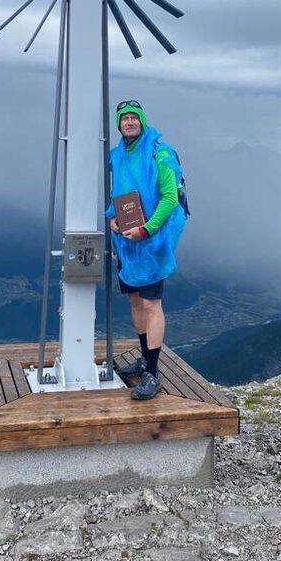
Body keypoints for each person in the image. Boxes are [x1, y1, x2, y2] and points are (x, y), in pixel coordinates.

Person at [106, 100, 186, 400]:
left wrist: (146, 230)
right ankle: (143, 358)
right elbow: (116, 194)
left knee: (152, 305)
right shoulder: (118, 155)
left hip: (151, 243)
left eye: (134, 118)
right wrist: (112, 218)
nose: (129, 122)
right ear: (119, 124)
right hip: (128, 244)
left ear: (142, 121)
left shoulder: (159, 153)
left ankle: (152, 373)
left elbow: (169, 198)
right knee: (135, 302)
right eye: (124, 118)